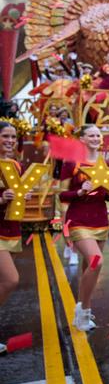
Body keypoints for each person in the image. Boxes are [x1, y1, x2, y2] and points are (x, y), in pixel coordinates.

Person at [59, 125, 109, 331]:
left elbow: (107, 197)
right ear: (81, 139)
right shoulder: (71, 163)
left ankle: (86, 307)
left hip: (100, 221)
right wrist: (79, 192)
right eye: (90, 135)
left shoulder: (106, 163)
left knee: (89, 267)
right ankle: (81, 312)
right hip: (78, 220)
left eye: (98, 135)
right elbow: (61, 194)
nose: (95, 138)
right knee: (96, 262)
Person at [0, 122, 33, 353]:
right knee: (11, 279)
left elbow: (15, 200)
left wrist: (23, 195)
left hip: (8, 229)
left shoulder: (14, 164)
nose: (10, 141)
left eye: (13, 137)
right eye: (5, 136)